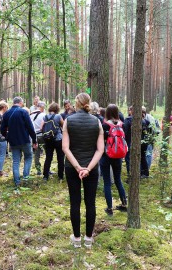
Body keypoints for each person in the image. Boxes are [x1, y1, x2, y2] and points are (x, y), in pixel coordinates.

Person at [62, 93, 104, 249]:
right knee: (90, 202)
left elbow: (65, 148)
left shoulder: (68, 121)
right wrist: (88, 168)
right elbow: (100, 150)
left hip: (72, 168)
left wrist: (78, 167)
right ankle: (88, 239)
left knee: (75, 202)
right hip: (91, 169)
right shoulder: (97, 122)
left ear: (76, 104)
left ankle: (77, 239)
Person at [1, 97, 37, 187]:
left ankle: (17, 181)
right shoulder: (23, 112)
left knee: (16, 161)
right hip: (25, 140)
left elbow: (2, 130)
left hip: (13, 142)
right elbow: (30, 127)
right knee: (28, 157)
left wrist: (7, 137)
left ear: (13, 103)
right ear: (20, 102)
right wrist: (34, 140)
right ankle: (25, 177)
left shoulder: (6, 114)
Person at [100, 104, 127, 216]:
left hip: (106, 156)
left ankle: (110, 208)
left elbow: (101, 141)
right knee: (118, 180)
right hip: (118, 156)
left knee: (107, 182)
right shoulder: (122, 124)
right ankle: (124, 204)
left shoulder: (105, 125)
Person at [41, 102, 64, 181]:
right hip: (58, 139)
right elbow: (63, 125)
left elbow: (41, 128)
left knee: (48, 158)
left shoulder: (45, 116)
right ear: (57, 109)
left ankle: (45, 176)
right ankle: (60, 176)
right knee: (60, 158)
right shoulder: (58, 116)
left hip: (48, 140)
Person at [30, 101, 46, 175]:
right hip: (42, 136)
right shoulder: (43, 115)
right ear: (42, 107)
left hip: (34, 137)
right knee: (47, 152)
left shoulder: (31, 115)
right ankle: (46, 169)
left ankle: (38, 170)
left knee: (37, 154)